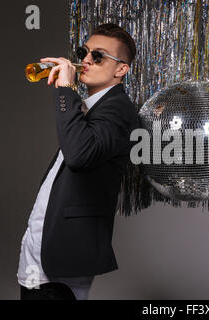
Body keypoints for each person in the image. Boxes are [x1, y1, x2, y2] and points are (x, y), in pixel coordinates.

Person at [17, 23, 139, 300]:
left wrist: (66, 90)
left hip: (61, 264)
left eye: (98, 56)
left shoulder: (119, 110)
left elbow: (79, 155)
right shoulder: (92, 107)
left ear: (121, 69)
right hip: (41, 254)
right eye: (84, 52)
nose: (85, 60)